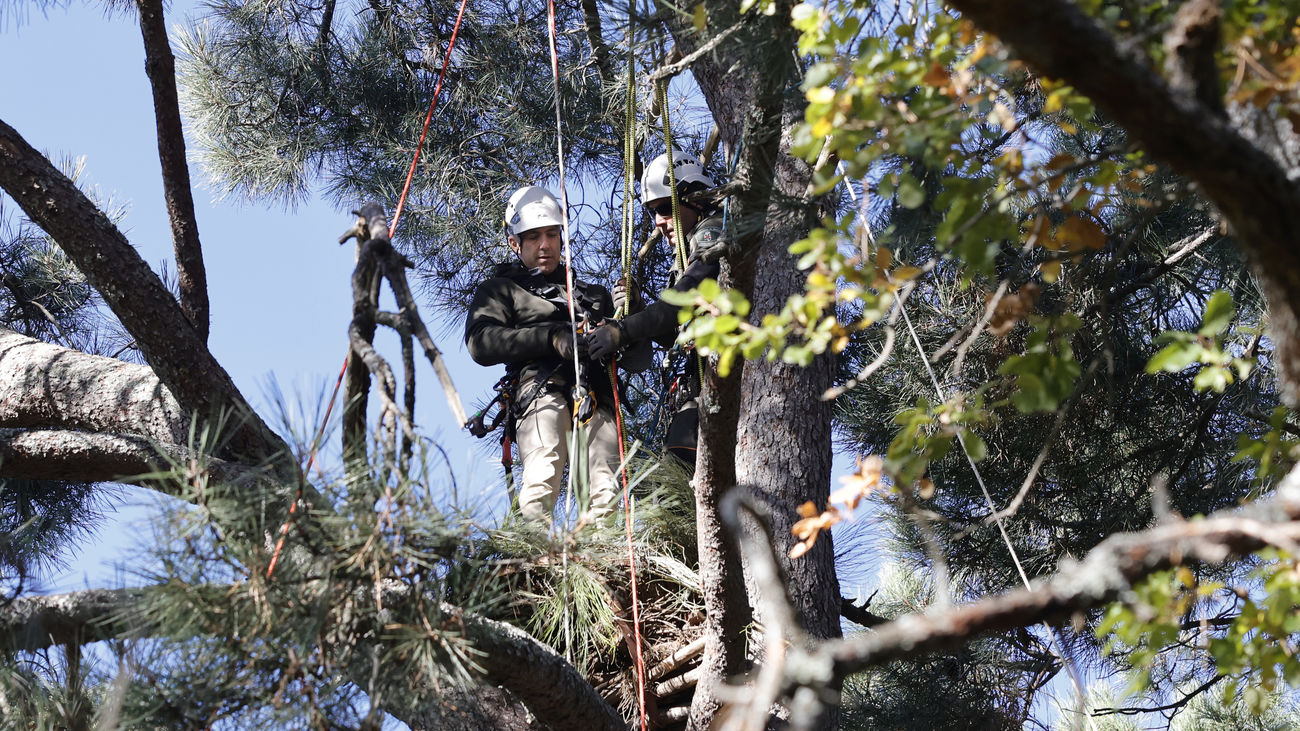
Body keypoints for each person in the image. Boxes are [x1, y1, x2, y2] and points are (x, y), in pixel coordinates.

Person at [465, 186, 620, 527]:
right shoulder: (503, 290)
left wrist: (627, 322)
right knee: (542, 471)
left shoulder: (593, 296)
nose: (545, 244)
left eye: (552, 234)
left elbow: (634, 359)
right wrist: (550, 338)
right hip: (540, 391)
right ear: (514, 243)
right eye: (533, 237)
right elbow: (481, 342)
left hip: (595, 394)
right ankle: (533, 562)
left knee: (605, 486)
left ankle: (601, 566)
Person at [587, 151, 727, 469]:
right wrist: (636, 307)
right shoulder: (685, 259)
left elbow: (683, 301)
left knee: (675, 485)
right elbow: (674, 332)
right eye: (653, 214)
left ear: (692, 195)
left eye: (665, 209)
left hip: (720, 387)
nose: (659, 223)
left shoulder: (715, 231)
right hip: (700, 388)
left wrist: (622, 330)